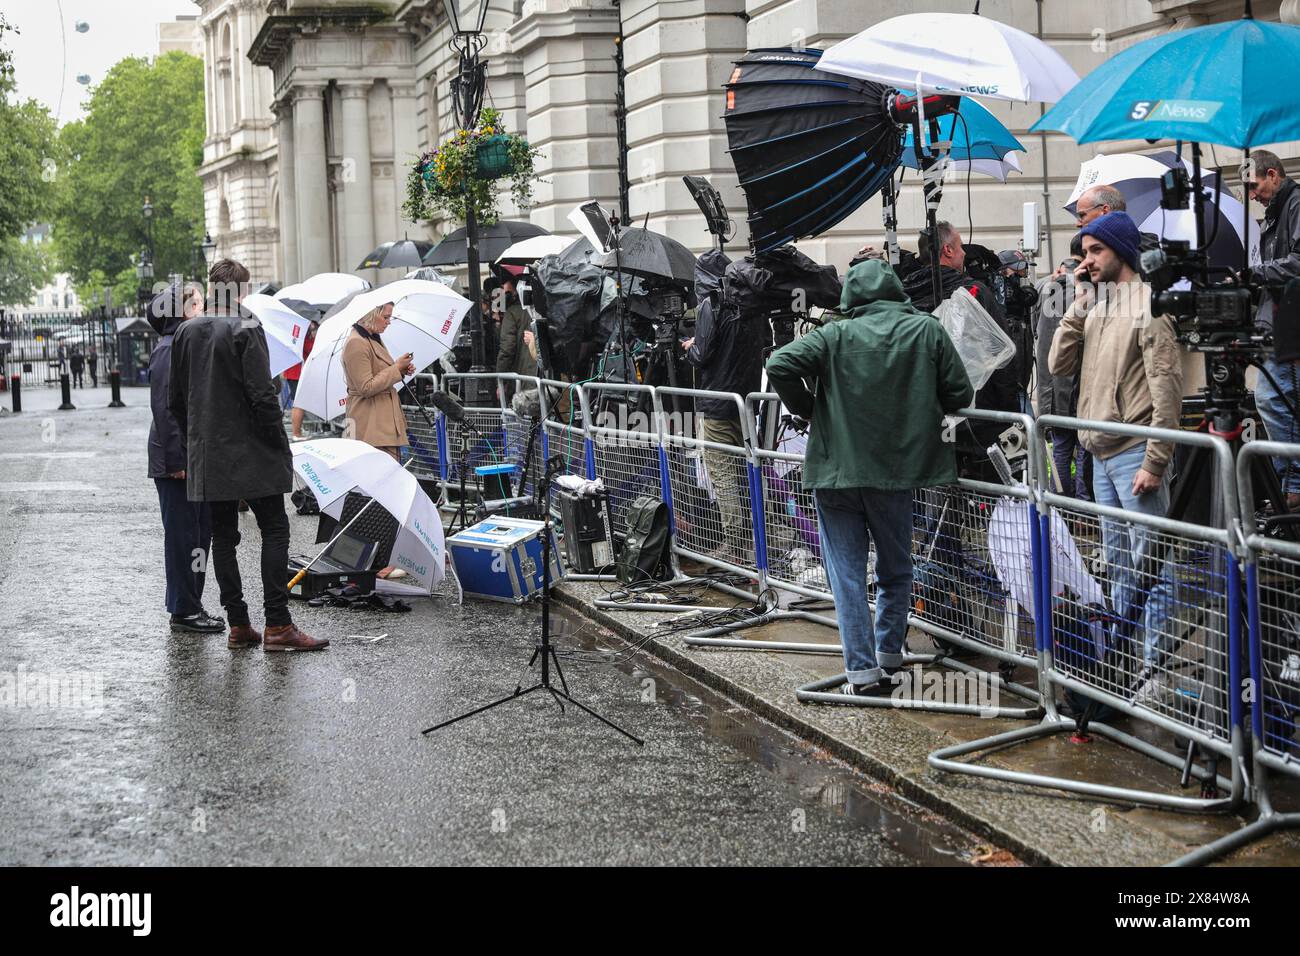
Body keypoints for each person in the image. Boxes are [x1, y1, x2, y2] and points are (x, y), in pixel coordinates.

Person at [767, 259, 974, 696]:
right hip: (896, 473)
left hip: (836, 472)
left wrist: (807, 407)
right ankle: (890, 660)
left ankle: (861, 675)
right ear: (895, 289)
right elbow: (960, 392)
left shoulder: (833, 334)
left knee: (845, 576)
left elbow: (779, 363)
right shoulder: (926, 330)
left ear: (850, 296)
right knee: (896, 570)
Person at [1049, 211, 1182, 703]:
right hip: (1100, 454)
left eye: (1094, 251)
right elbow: (1058, 365)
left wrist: (1156, 460)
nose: (1086, 260)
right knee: (1122, 566)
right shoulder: (1096, 304)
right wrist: (1078, 305)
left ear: (1120, 252)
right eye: (1084, 252)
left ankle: (1156, 672)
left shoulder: (1149, 306)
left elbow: (1167, 388)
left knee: (1154, 566)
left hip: (1132, 454)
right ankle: (1128, 661)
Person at [169, 258, 328, 652]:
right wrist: (279, 442)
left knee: (223, 537)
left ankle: (238, 623)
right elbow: (262, 396)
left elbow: (175, 401)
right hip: (252, 452)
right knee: (275, 529)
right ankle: (277, 624)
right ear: (240, 291)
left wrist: (197, 438)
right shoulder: (246, 326)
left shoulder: (185, 332)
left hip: (208, 454)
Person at [902, 221, 1022, 460]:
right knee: (983, 491)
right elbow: (1003, 357)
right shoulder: (972, 292)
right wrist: (1009, 413)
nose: (965, 252)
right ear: (947, 250)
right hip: (978, 420)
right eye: (959, 246)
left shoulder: (905, 296)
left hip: (923, 419)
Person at [147, 281, 221, 634]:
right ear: (181, 311)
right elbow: (165, 412)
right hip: (177, 464)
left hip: (193, 460)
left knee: (198, 534)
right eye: (198, 305)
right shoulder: (167, 350)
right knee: (183, 538)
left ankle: (191, 605)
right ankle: (183, 610)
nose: (203, 310)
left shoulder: (182, 345)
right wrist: (178, 462)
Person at [682, 249, 764, 564]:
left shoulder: (711, 305)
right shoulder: (752, 306)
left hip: (717, 402)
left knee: (724, 477)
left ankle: (734, 547)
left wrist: (691, 349)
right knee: (746, 477)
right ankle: (755, 543)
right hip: (745, 403)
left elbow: (702, 355)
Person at [341, 301, 415, 580]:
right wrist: (395, 369)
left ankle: (382, 558)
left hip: (382, 425)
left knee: (388, 494)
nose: (389, 321)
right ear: (372, 315)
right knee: (380, 497)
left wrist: (399, 371)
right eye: (386, 316)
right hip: (371, 428)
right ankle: (378, 560)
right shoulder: (356, 343)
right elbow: (366, 387)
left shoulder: (372, 338)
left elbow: (377, 378)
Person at [1244, 148, 1300, 510]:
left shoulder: (1294, 205)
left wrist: (1255, 274)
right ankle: (1290, 485)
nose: (1251, 194)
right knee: (1278, 401)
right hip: (1280, 322)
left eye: (1254, 185)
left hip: (1291, 324)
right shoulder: (1276, 212)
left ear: (1273, 176)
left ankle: (1293, 484)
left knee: (1275, 399)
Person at [1035, 242, 1093, 500]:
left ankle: (1059, 505)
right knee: (1082, 447)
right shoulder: (1086, 290)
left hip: (1052, 381)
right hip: (1078, 381)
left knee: (1060, 445)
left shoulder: (1046, 287)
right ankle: (1082, 508)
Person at [495, 273, 536, 395]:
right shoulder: (546, 308)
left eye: (508, 292)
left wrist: (501, 381)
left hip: (524, 377)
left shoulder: (513, 312)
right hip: (547, 377)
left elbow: (507, 350)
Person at [286, 320, 317, 440]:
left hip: (292, 372)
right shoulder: (304, 336)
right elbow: (311, 349)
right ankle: (296, 433)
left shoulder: (294, 331)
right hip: (297, 373)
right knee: (299, 403)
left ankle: (297, 432)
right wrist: (313, 337)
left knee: (298, 402)